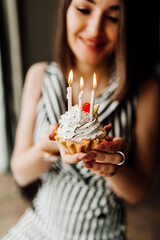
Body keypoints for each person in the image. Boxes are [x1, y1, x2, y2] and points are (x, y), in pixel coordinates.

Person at [2, 0, 160, 239]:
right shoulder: (39, 77)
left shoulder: (146, 93)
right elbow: (21, 172)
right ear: (65, 10)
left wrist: (114, 168)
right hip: (40, 223)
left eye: (114, 17)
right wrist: (49, 148)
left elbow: (138, 193)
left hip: (102, 231)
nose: (95, 28)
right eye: (84, 9)